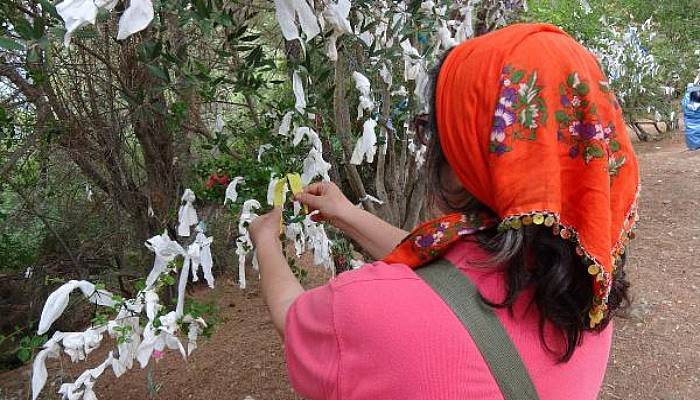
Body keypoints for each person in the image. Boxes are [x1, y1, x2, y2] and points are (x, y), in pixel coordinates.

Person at [249, 23, 639, 399]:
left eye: (434, 130)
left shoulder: (368, 315)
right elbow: (450, 280)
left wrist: (265, 240)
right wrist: (346, 212)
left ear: (468, 156)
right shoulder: (585, 286)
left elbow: (293, 317)